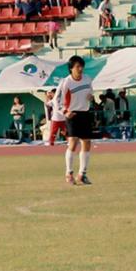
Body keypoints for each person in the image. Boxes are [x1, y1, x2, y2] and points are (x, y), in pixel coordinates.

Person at [54, 55, 96, 184]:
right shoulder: (66, 82)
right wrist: (65, 112)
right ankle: (69, 173)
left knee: (87, 143)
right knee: (72, 143)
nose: (80, 68)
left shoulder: (88, 79)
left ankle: (82, 174)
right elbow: (56, 100)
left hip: (85, 113)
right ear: (71, 68)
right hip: (72, 115)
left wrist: (91, 98)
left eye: (81, 66)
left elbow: (91, 93)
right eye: (77, 66)